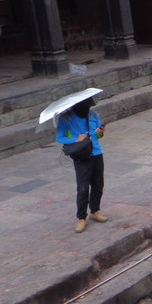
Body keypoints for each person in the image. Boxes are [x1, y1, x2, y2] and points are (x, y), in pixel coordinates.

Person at [56, 96, 107, 233]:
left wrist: (100, 133)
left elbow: (98, 135)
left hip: (96, 152)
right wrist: (75, 139)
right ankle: (81, 217)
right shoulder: (66, 118)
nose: (87, 110)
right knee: (83, 187)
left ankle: (95, 210)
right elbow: (59, 137)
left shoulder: (93, 115)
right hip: (81, 156)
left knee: (98, 184)